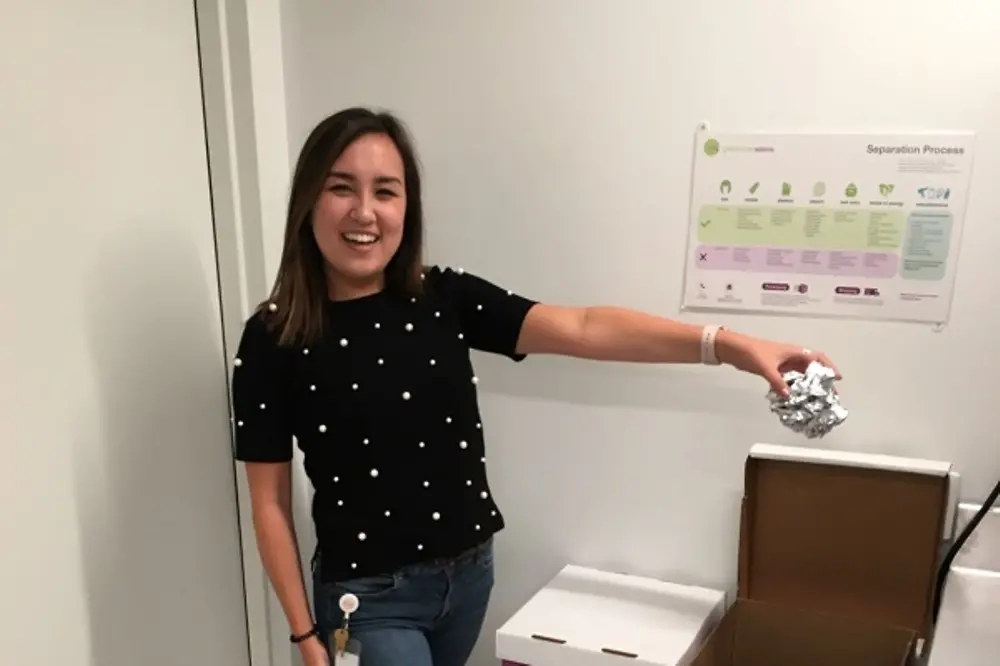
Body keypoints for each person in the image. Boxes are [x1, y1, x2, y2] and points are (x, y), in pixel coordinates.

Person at [230, 107, 840, 666]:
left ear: (406, 209)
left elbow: (584, 328)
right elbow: (269, 503)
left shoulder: (445, 298)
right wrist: (305, 635)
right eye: (342, 187)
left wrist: (730, 346)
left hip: (469, 578)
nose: (365, 212)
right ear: (309, 200)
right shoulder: (273, 336)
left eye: (385, 191)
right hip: (368, 600)